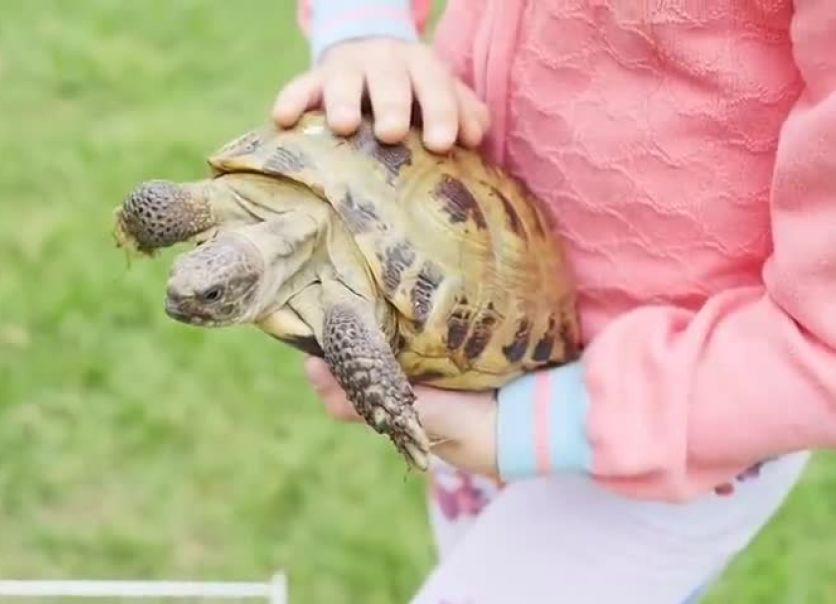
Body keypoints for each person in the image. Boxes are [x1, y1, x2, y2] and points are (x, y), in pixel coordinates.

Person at [272, 1, 836, 602]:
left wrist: (546, 425)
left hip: (682, 419)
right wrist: (363, 29)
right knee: (469, 554)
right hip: (478, 348)